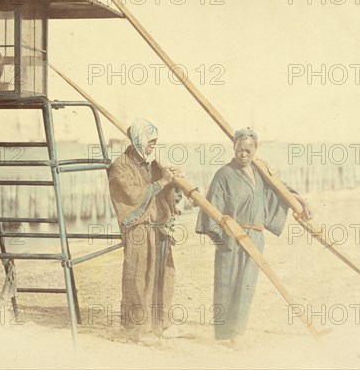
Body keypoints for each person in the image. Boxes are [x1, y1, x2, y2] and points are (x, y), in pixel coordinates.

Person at [195, 127, 311, 348]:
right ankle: (228, 334)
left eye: (248, 150)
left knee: (246, 284)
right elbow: (210, 209)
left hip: (255, 237)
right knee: (227, 283)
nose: (244, 155)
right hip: (232, 237)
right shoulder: (224, 174)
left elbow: (280, 191)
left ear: (256, 150)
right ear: (234, 148)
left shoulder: (260, 173)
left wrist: (302, 201)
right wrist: (222, 240)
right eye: (240, 150)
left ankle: (237, 332)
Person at [108, 117, 185, 345]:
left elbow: (164, 194)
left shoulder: (150, 164)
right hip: (139, 231)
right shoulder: (120, 166)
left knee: (162, 276)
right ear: (139, 140)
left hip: (158, 229)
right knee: (138, 277)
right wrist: (161, 183)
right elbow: (132, 196)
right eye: (150, 142)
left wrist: (172, 181)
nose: (153, 146)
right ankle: (137, 330)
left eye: (155, 142)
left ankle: (161, 323)